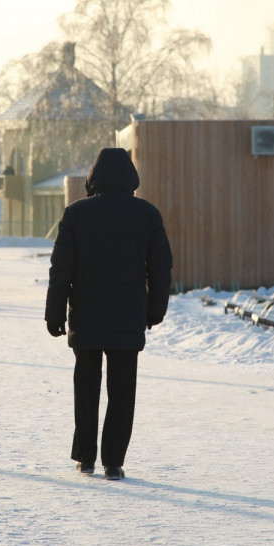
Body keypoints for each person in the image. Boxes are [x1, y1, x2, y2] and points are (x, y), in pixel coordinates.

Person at [44, 148, 173, 480]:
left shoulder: (76, 214)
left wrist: (54, 313)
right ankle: (113, 461)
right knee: (122, 390)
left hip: (86, 315)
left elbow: (61, 270)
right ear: (131, 178)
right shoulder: (147, 214)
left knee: (86, 386)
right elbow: (160, 269)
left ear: (93, 178)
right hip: (128, 317)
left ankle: (85, 457)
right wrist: (155, 309)